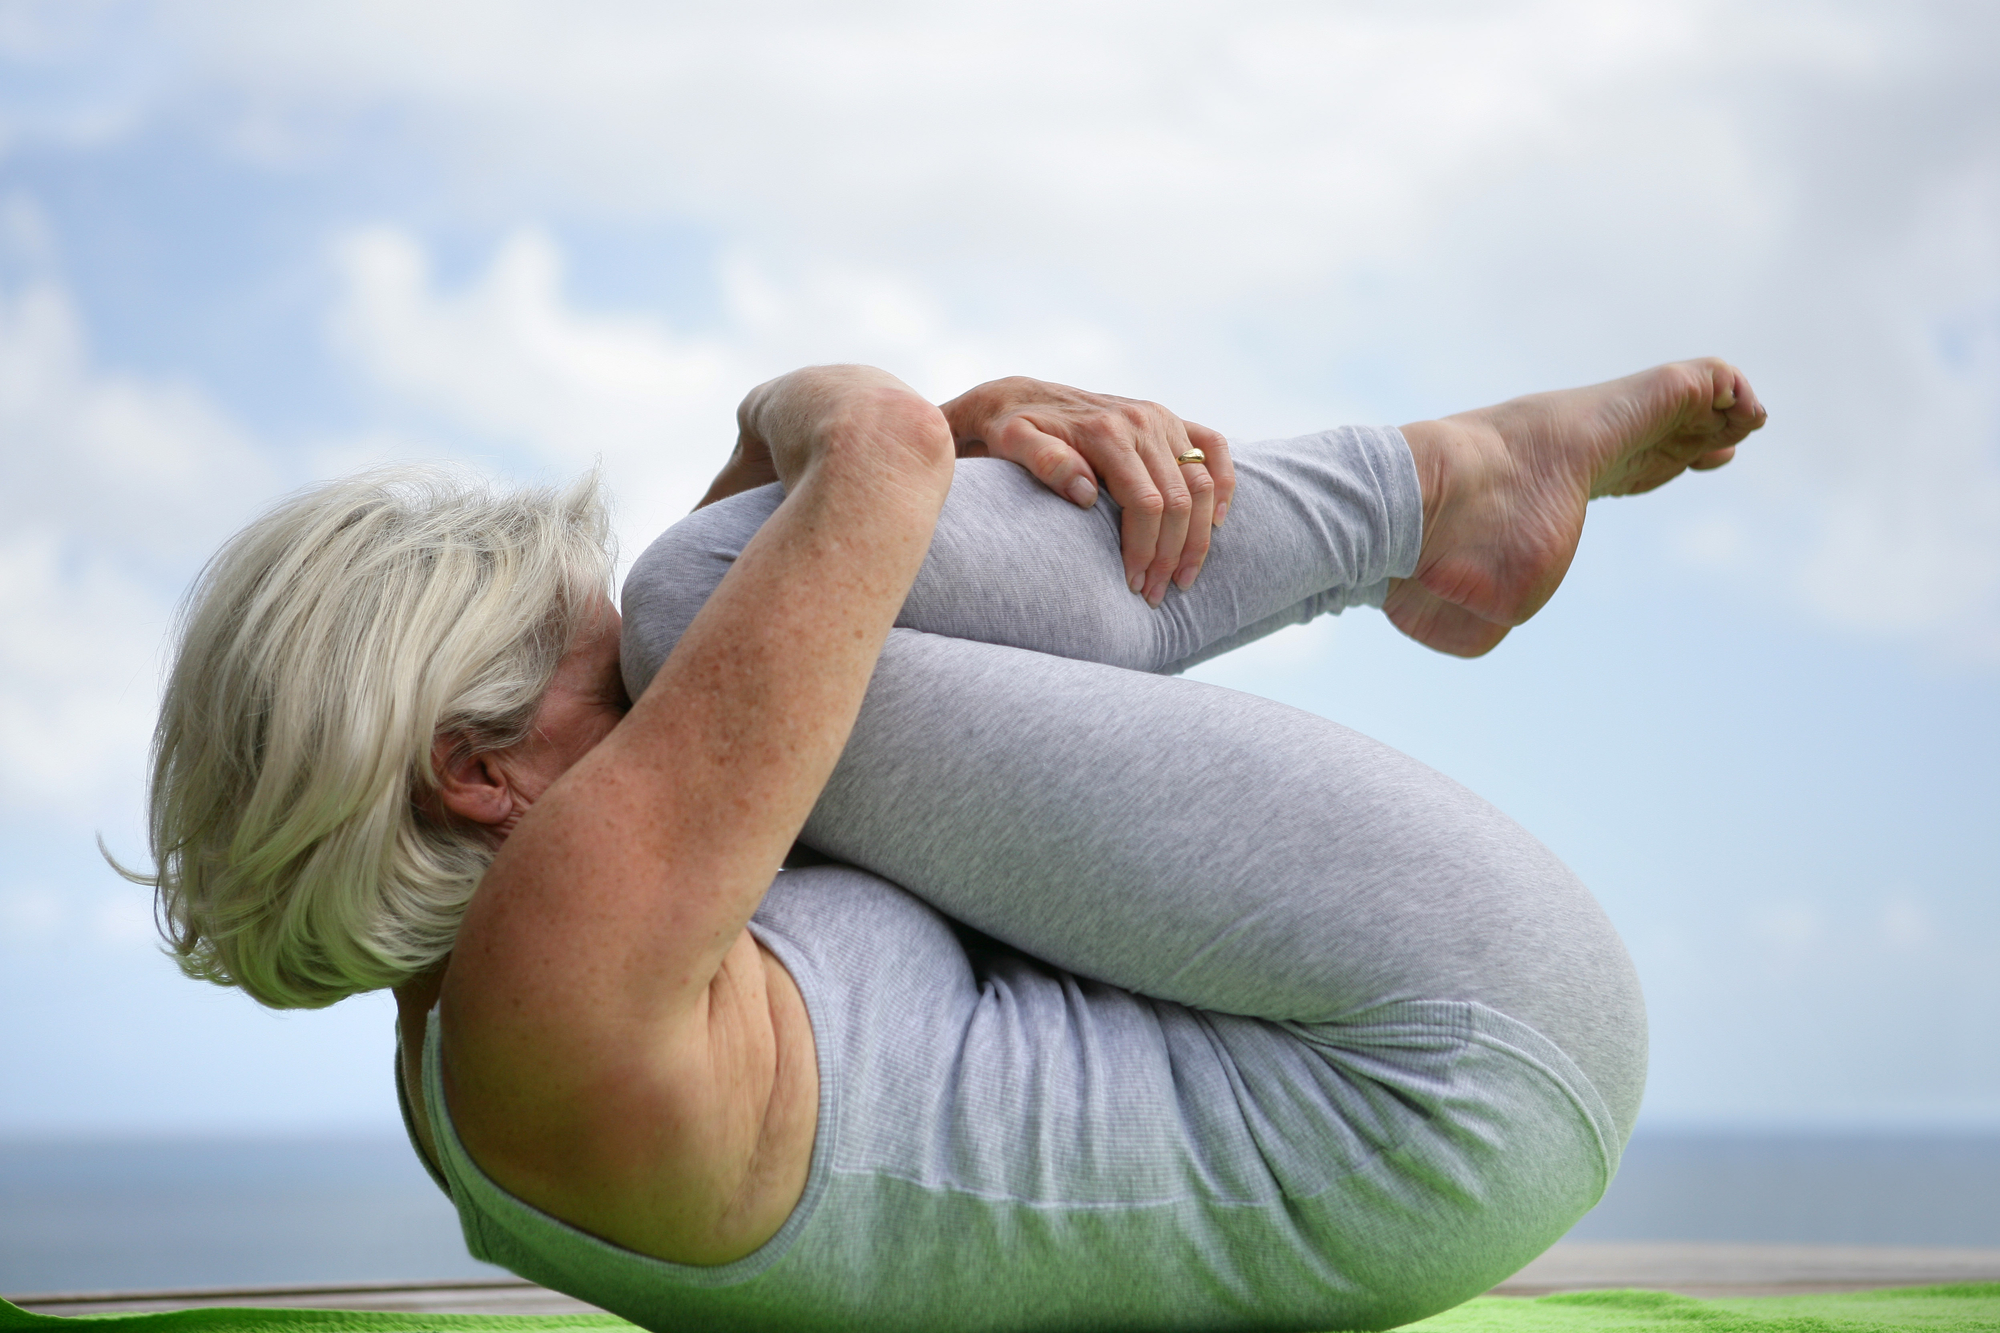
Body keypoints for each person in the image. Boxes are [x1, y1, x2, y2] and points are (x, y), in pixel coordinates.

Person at [130, 360, 1765, 1332]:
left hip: (1444, 1125)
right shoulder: (555, 977)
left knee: (742, 584)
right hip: (1457, 1047)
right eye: (600, 675)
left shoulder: (481, 1049)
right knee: (710, 585)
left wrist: (959, 439)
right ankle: (1430, 494)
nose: (652, 692)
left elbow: (818, 597)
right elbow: (876, 461)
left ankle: (1440, 504)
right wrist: (820, 406)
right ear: (480, 776)